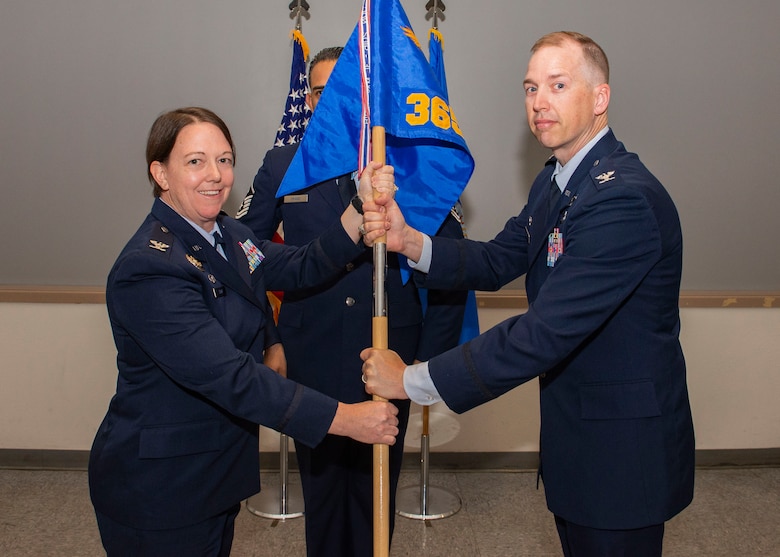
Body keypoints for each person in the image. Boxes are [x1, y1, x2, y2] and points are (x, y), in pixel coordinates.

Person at [360, 31, 695, 557]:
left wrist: (412, 380)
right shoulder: (557, 182)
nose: (540, 102)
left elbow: (544, 332)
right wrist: (409, 242)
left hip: (621, 458)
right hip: (578, 440)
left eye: (558, 85)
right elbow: (499, 258)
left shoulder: (622, 199)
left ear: (600, 98)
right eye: (531, 87)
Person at [88, 106, 401, 557]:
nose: (214, 175)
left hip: (212, 474)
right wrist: (346, 420)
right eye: (195, 161)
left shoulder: (226, 235)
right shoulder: (150, 268)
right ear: (160, 173)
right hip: (160, 489)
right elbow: (230, 376)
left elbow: (297, 265)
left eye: (225, 159)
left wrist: (359, 207)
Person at [237, 47, 468, 556]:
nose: (327, 102)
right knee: (320, 497)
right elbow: (243, 257)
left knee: (373, 497)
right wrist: (268, 339)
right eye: (318, 91)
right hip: (309, 353)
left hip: (388, 356)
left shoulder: (405, 166)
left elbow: (452, 265)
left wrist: (428, 362)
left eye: (340, 91)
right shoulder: (283, 164)